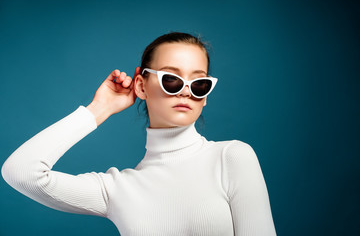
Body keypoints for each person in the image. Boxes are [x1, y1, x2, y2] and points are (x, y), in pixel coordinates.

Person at [1, 32, 277, 235]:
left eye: (199, 83)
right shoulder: (118, 189)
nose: (185, 91)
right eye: (171, 79)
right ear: (142, 87)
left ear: (205, 96)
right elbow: (21, 172)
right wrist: (99, 109)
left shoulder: (232, 157)